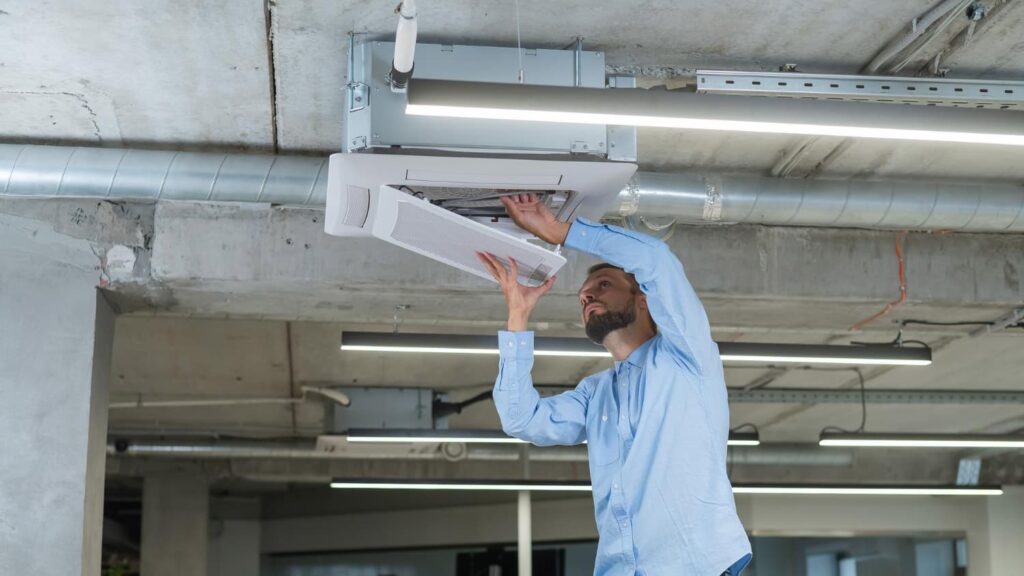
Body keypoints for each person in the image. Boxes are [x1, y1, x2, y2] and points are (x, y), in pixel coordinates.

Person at [476, 193, 752, 576]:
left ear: (643, 299)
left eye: (603, 285)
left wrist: (560, 231)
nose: (587, 295)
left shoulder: (686, 355)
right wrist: (518, 316)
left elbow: (655, 261)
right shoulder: (595, 394)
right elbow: (521, 419)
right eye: (584, 295)